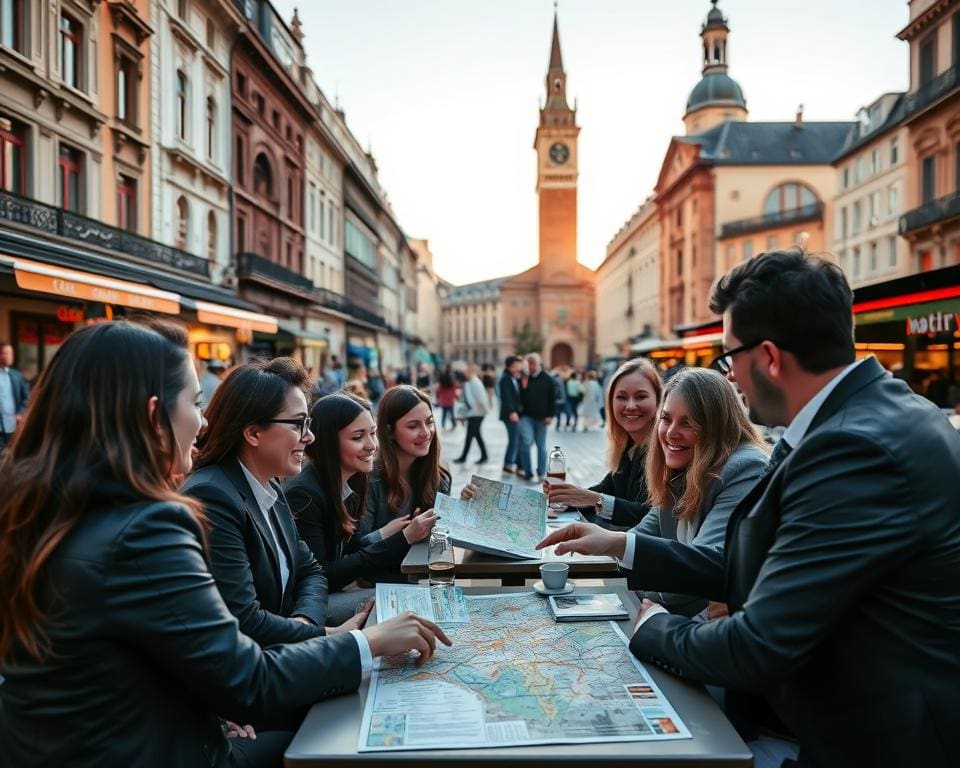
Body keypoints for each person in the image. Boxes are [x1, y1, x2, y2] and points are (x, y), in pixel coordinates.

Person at [539, 248, 960, 767]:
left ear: (769, 357)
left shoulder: (852, 448)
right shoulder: (886, 410)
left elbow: (759, 645)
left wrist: (651, 627)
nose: (730, 376)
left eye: (729, 356)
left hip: (869, 740)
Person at [0, 320, 451, 768]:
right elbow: (249, 678)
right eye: (195, 403)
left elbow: (147, 650)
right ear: (153, 414)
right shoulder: (149, 525)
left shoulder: (50, 510)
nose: (203, 420)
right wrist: (365, 642)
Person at [182, 358, 358, 648]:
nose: (309, 436)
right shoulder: (212, 496)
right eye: (298, 424)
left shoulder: (268, 481)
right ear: (252, 433)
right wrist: (323, 636)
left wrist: (305, 623)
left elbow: (311, 570)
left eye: (308, 423)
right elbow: (245, 620)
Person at [284, 392, 437, 624]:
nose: (372, 445)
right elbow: (322, 575)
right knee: (406, 601)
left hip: (335, 593)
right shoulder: (304, 493)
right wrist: (403, 538)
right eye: (358, 437)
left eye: (372, 434)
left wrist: (387, 533)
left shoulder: (353, 478)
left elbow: (352, 546)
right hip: (306, 606)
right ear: (328, 442)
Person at [544, 358, 662, 529]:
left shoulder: (665, 450)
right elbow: (606, 489)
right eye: (621, 397)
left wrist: (592, 499)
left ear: (658, 400)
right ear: (610, 402)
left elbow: (653, 516)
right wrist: (568, 494)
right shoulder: (629, 446)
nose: (630, 405)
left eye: (641, 396)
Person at [367, 385, 451, 577]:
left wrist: (462, 510)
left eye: (429, 422)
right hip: (377, 585)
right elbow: (356, 549)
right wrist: (400, 535)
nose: (426, 433)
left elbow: (441, 544)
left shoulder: (440, 477)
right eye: (413, 426)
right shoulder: (370, 478)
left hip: (423, 580)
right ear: (389, 431)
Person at [518, 353, 555, 482]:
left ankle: (541, 473)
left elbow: (553, 399)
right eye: (528, 363)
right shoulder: (524, 378)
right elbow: (519, 397)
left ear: (538, 363)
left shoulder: (548, 379)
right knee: (526, 442)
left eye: (532, 363)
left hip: (542, 418)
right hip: (526, 417)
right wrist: (523, 384)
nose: (530, 366)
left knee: (541, 445)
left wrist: (550, 415)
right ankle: (528, 471)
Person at [453, 363, 490, 464]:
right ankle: (483, 455)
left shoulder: (475, 382)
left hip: (477, 414)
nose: (464, 374)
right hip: (474, 413)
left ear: (470, 372)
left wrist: (478, 410)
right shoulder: (470, 382)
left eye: (466, 372)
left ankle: (465, 457)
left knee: (472, 434)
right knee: (475, 435)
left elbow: (481, 399)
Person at [497, 355, 526, 475]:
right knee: (514, 439)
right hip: (510, 414)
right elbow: (506, 398)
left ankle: (519, 465)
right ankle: (508, 464)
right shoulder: (505, 379)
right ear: (510, 366)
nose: (519, 367)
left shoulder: (515, 378)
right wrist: (512, 412)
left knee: (517, 439)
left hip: (515, 414)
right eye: (516, 365)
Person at [0, 341, 30, 453]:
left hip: (13, 426)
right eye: (6, 353)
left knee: (12, 456)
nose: (10, 356)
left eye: (11, 353)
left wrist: (21, 413)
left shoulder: (17, 375)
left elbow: (26, 397)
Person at [436, 365, 457, 431]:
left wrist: (438, 398)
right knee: (451, 412)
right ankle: (454, 424)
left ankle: (443, 425)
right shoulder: (452, 377)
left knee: (444, 413)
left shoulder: (442, 377)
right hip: (450, 397)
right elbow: (454, 388)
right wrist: (455, 396)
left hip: (444, 397)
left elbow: (439, 389)